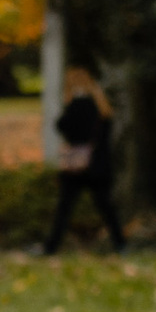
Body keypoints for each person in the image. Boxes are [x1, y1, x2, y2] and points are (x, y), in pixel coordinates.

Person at [44, 66, 126, 254]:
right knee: (107, 208)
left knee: (64, 209)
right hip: (99, 167)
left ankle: (51, 247)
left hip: (76, 167)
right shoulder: (102, 107)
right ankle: (120, 244)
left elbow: (61, 126)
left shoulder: (76, 106)